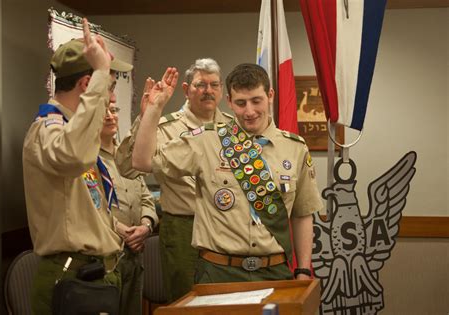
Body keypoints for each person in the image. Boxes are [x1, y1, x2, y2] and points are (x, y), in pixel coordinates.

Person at [131, 64, 323, 284]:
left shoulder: (295, 148)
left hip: (275, 271)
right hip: (218, 272)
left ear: (270, 96)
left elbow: (302, 213)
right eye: (240, 103)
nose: (249, 112)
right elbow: (142, 161)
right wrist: (155, 108)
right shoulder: (207, 140)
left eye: (256, 101)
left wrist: (303, 270)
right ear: (229, 102)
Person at [22, 18, 134, 313]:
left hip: (96, 275)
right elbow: (73, 158)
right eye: (107, 87)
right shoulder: (49, 130)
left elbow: (86, 203)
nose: (110, 97)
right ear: (87, 84)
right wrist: (100, 74)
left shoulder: (75, 132)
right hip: (73, 277)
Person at [115, 58, 232, 301]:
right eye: (200, 85)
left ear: (221, 89)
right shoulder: (164, 126)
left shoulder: (234, 129)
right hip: (183, 229)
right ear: (186, 90)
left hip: (227, 226)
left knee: (227, 300)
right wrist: (147, 116)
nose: (208, 91)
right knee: (185, 301)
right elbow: (127, 168)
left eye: (214, 85)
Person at [100, 102, 158, 315]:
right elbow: (88, 206)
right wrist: (121, 230)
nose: (110, 116)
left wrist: (146, 226)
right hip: (107, 256)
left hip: (135, 253)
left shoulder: (127, 157)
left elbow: (146, 198)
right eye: (103, 111)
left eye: (114, 110)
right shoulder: (87, 160)